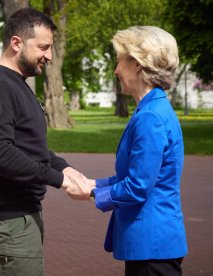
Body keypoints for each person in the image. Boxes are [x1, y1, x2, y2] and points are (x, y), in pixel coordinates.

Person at [0, 7, 81, 276]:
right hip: (9, 218)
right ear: (16, 43)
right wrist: (58, 180)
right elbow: (1, 154)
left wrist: (63, 167)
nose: (49, 56)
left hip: (22, 215)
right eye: (43, 47)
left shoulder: (18, 83)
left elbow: (28, 144)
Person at [71, 26, 188, 276]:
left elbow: (138, 186)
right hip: (153, 244)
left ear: (137, 64)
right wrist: (95, 183)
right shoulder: (152, 109)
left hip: (152, 244)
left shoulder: (150, 117)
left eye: (119, 61)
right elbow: (137, 176)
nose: (115, 71)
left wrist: (93, 193)